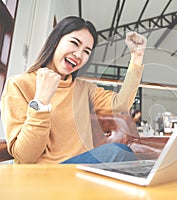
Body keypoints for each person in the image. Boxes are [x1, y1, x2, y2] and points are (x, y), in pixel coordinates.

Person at [1, 16, 147, 164]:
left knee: (132, 163)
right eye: (74, 43)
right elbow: (25, 157)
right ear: (55, 41)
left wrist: (137, 56)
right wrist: (41, 102)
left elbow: (121, 104)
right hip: (44, 175)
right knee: (117, 151)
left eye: (86, 51)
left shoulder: (84, 89)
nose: (78, 55)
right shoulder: (19, 84)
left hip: (82, 172)